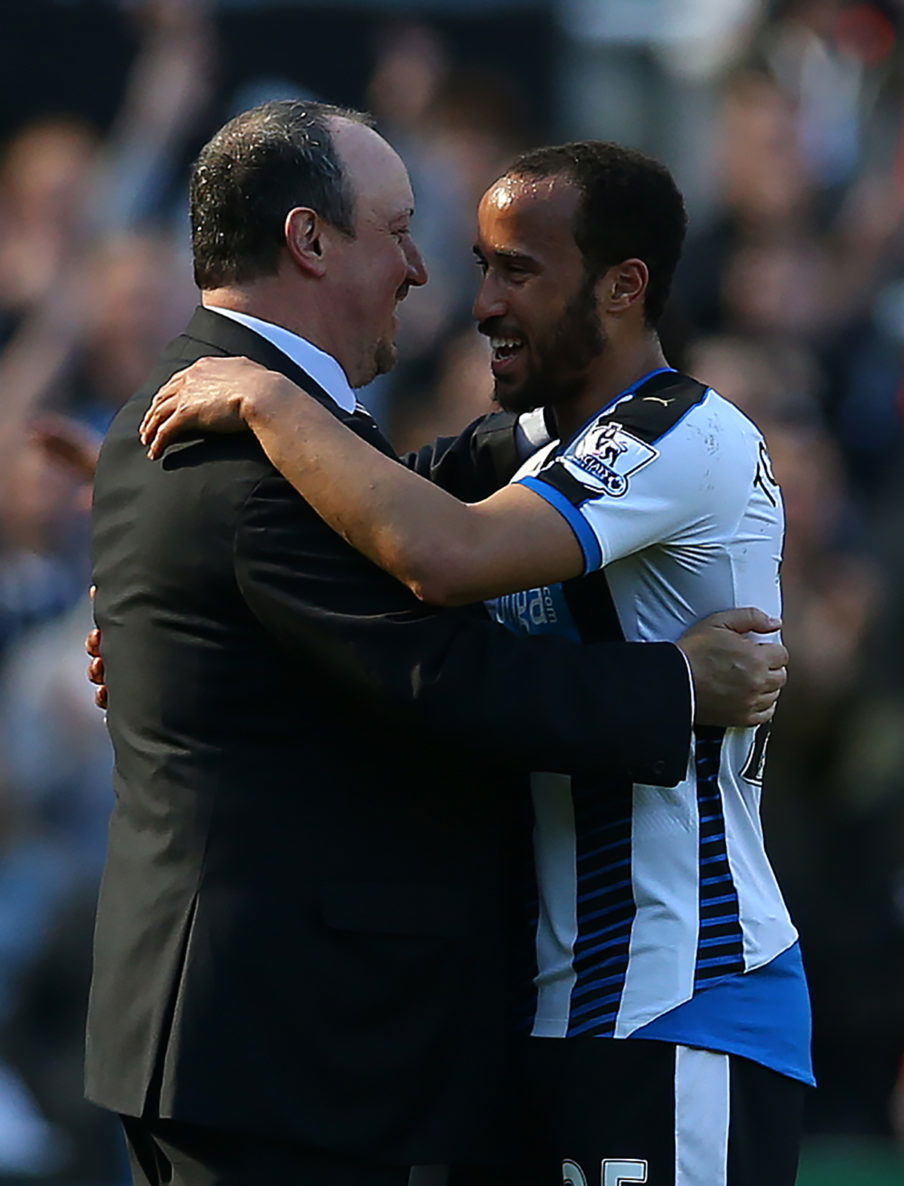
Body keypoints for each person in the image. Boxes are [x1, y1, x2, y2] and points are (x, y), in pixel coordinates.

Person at [139, 139, 809, 1185]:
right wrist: (180, 622)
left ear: (623, 286)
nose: (481, 301)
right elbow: (341, 549)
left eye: (519, 271)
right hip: (547, 1007)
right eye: (482, 265)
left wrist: (272, 402)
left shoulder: (680, 434)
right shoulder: (537, 447)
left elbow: (440, 558)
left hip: (684, 994)